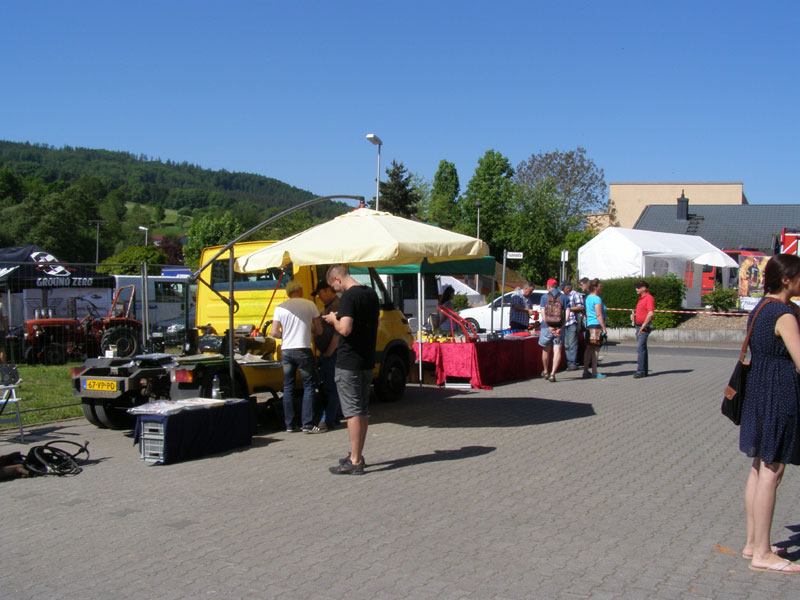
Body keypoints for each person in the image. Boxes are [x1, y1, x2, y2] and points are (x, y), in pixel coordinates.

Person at [739, 254, 800, 573]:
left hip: (759, 391)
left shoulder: (761, 307)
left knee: (758, 467)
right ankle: (763, 552)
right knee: (772, 471)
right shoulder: (785, 314)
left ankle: (753, 543)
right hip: (780, 393)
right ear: (787, 280)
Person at [322, 265, 380, 475]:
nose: (336, 291)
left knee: (353, 412)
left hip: (349, 362)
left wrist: (333, 320)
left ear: (338, 279)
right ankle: (357, 454)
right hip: (366, 359)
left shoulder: (348, 297)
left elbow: (345, 329)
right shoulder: (370, 293)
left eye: (334, 287)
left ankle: (355, 461)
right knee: (362, 409)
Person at [271, 279, 322, 433]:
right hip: (303, 349)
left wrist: (285, 335)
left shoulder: (280, 308)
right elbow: (319, 330)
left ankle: (290, 424)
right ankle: (307, 423)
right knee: (308, 386)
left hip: (286, 350)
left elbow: (274, 332)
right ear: (299, 290)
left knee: (288, 387)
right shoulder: (310, 305)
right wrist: (309, 331)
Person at [312, 279, 341, 431]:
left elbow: (337, 334)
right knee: (329, 387)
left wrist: (328, 353)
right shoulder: (328, 306)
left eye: (320, 293)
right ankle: (333, 418)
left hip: (332, 353)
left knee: (331, 388)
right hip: (329, 353)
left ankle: (327, 420)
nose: (319, 297)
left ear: (327, 290)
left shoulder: (336, 306)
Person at [539, 278, 570, 382]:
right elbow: (567, 314)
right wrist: (561, 327)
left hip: (546, 328)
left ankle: (546, 370)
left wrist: (549, 326)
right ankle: (553, 374)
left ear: (548, 286)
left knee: (546, 349)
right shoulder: (565, 297)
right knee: (557, 350)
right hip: (559, 328)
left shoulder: (544, 297)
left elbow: (543, 313)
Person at [582, 278, 608, 379]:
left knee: (589, 348)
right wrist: (604, 328)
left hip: (589, 325)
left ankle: (585, 371)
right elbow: (598, 314)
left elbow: (588, 313)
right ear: (595, 287)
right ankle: (594, 371)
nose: (601, 288)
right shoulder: (597, 299)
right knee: (596, 349)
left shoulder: (588, 298)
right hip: (596, 326)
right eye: (600, 286)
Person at [632, 280, 655, 378]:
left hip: (643, 326)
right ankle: (644, 370)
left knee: (640, 348)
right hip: (639, 325)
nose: (636, 289)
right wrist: (635, 316)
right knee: (642, 348)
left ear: (644, 288)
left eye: (638, 287)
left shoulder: (648, 298)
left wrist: (643, 326)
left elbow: (650, 313)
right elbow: (643, 312)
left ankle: (641, 371)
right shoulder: (641, 299)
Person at [561, 281, 584, 370]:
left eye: (564, 288)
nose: (563, 290)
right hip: (563, 322)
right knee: (566, 344)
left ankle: (573, 363)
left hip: (572, 322)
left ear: (568, 288)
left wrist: (568, 308)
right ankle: (569, 362)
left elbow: (581, 307)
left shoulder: (576, 295)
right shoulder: (562, 295)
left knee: (572, 344)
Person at [0, 298, 7, 364]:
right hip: (0, 330)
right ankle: (4, 365)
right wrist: (6, 329)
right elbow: (4, 318)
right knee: (2, 349)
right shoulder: (1, 305)